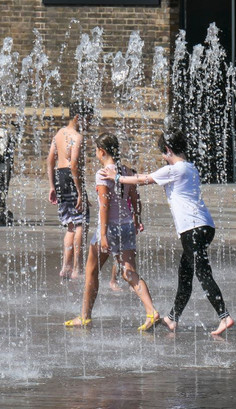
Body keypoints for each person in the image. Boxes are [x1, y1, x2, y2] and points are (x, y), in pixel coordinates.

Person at [101, 128, 234, 336]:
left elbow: (144, 179)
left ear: (169, 150)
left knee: (202, 273)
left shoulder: (175, 169)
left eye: (163, 153)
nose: (163, 157)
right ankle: (172, 318)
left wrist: (117, 177)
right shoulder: (190, 167)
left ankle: (224, 316)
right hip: (205, 226)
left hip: (192, 229)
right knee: (185, 273)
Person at [64, 133, 160, 331]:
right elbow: (135, 198)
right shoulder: (126, 171)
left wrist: (104, 234)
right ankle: (151, 311)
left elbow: (104, 206)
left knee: (91, 272)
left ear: (102, 151)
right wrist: (137, 219)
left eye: (96, 151)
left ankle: (84, 317)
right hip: (126, 227)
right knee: (129, 272)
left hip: (109, 228)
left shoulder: (103, 174)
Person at [47, 100, 93, 280]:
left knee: (70, 225)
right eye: (87, 120)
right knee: (81, 223)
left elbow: (50, 160)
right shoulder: (77, 137)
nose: (88, 124)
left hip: (59, 177)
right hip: (71, 177)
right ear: (77, 117)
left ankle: (65, 267)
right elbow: (74, 164)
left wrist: (52, 186)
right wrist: (81, 193)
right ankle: (77, 268)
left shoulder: (58, 134)